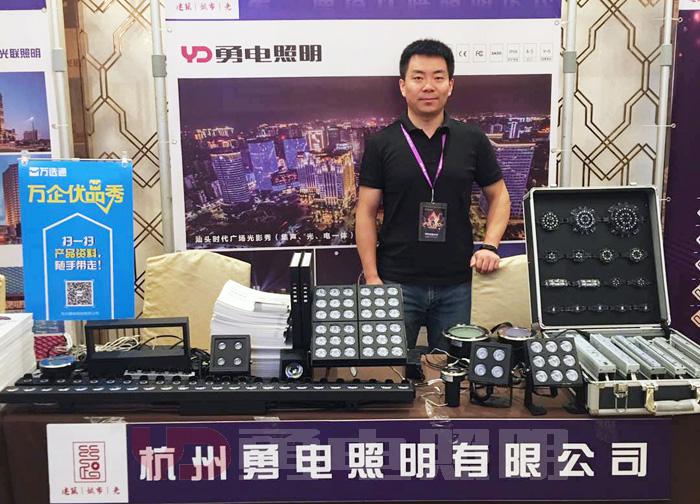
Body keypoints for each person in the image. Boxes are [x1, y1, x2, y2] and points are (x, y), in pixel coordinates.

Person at [356, 39, 511, 350]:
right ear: (403, 86)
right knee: (391, 366)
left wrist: (490, 245)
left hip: (457, 283)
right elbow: (366, 212)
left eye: (438, 77)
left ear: (450, 85)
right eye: (418, 77)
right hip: (396, 282)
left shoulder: (472, 139)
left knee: (453, 369)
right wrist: (372, 278)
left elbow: (500, 197)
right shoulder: (381, 143)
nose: (428, 86)